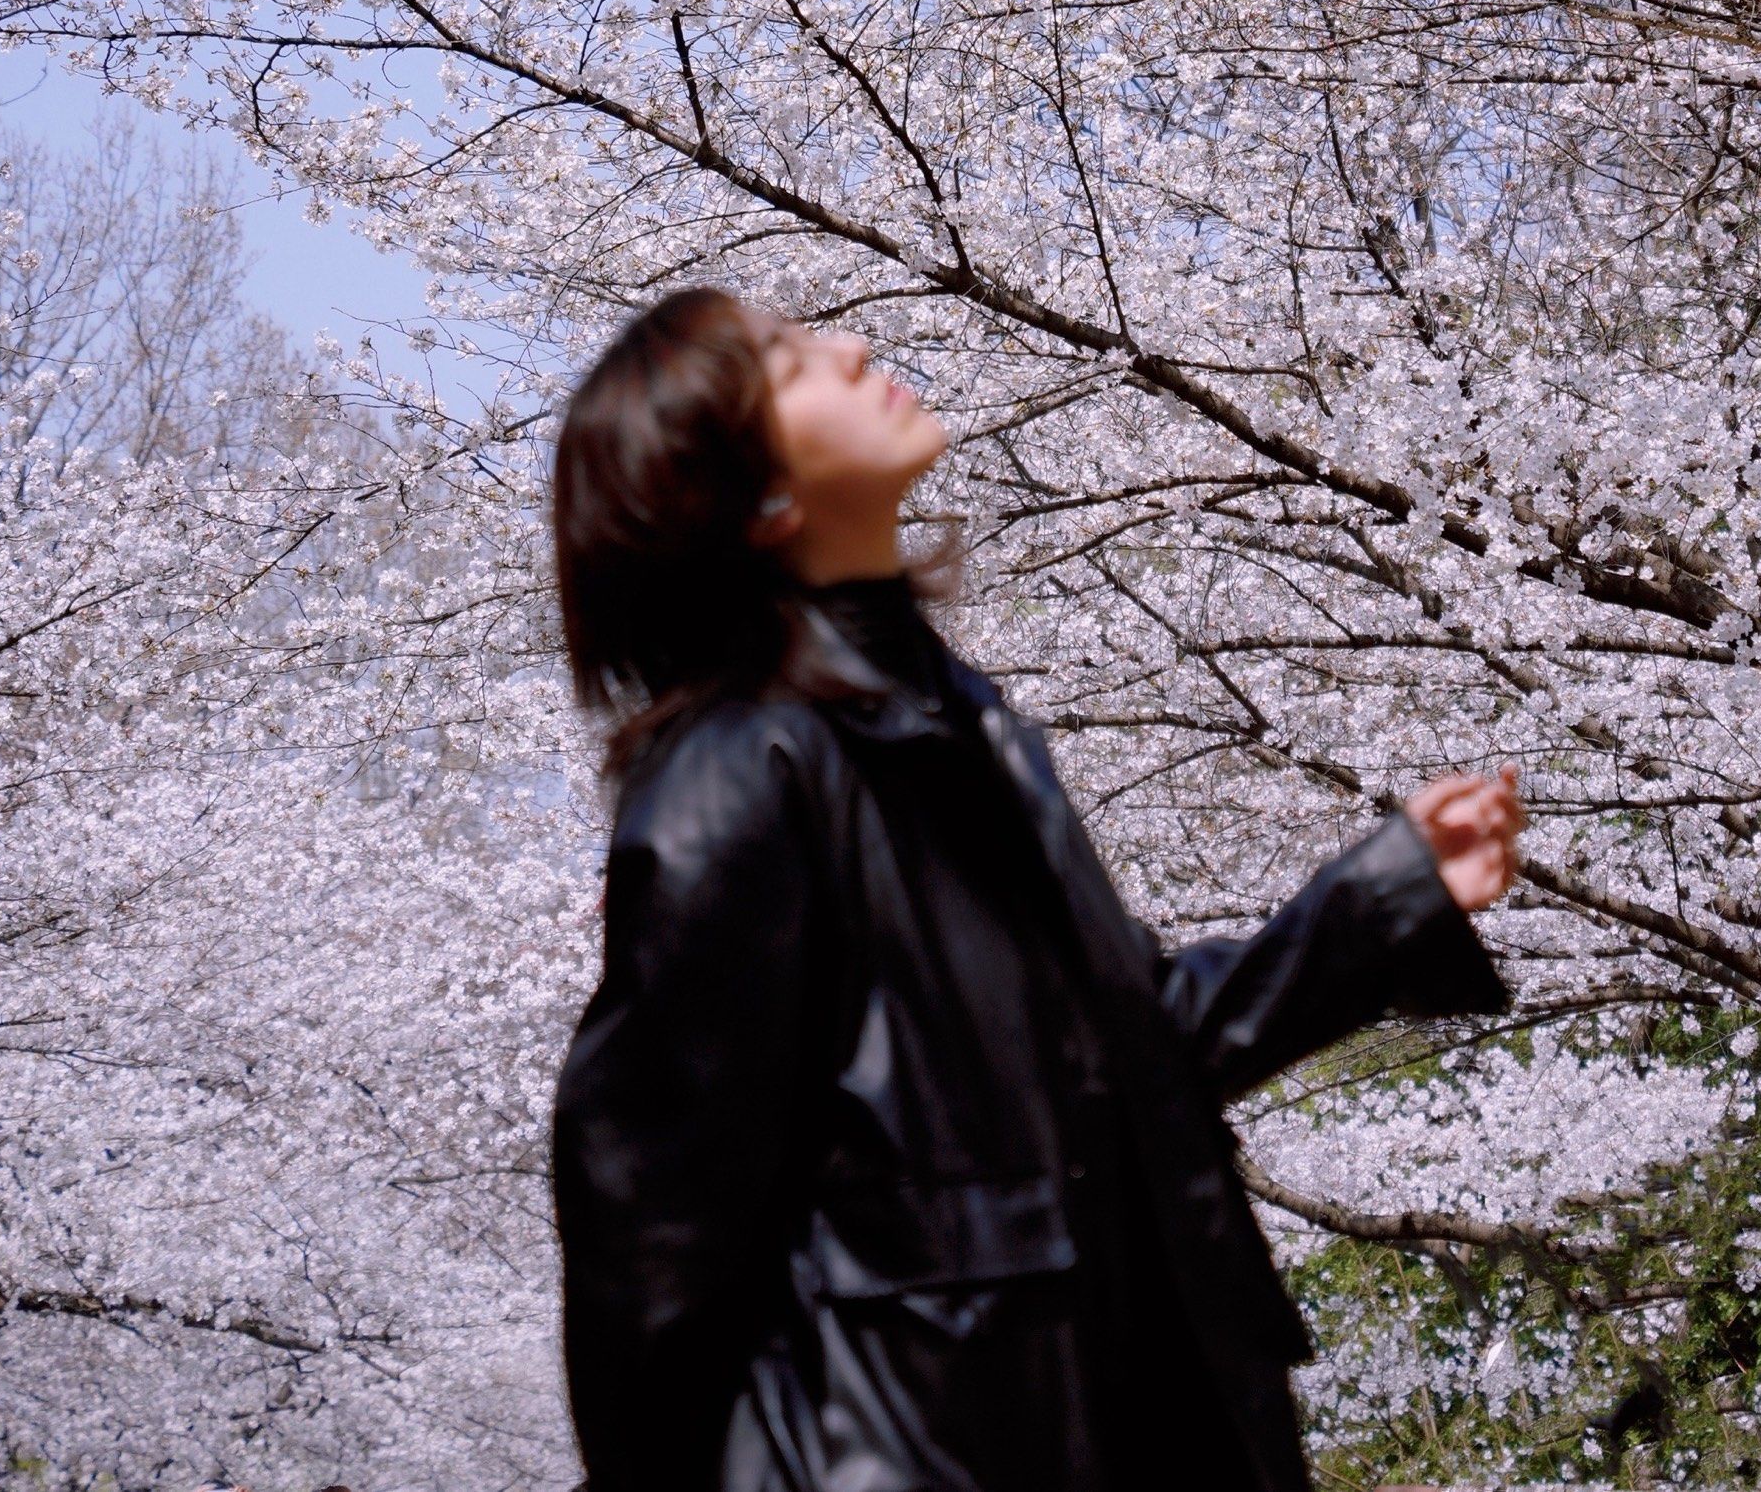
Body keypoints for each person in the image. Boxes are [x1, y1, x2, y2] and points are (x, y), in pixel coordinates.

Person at [551, 292, 1522, 1492]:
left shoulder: (957, 725)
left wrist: (1377, 907)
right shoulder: (734, 784)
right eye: (790, 364)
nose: (850, 345)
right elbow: (648, 1251)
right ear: (759, 501)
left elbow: (1126, 1053)